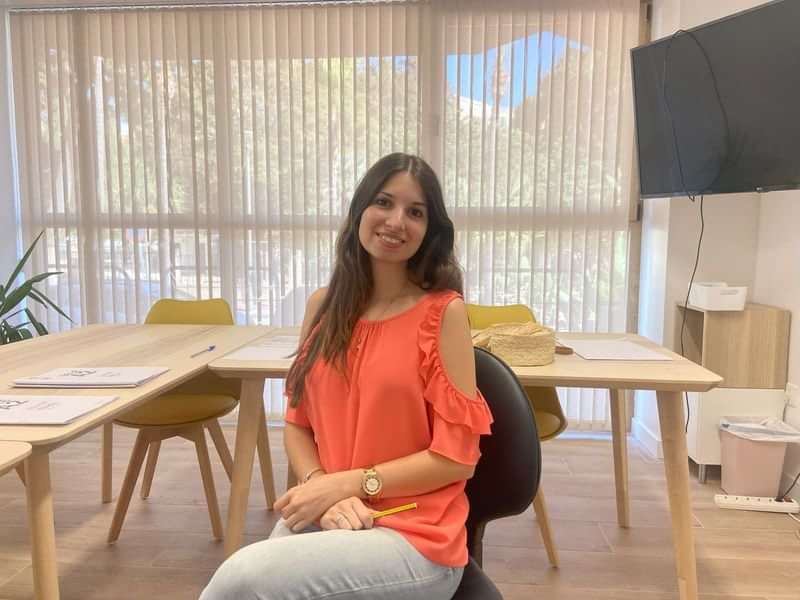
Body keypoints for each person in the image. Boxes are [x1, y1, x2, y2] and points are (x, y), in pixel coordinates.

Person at [200, 153, 493, 599]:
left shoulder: (443, 314)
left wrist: (349, 483)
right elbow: (298, 425)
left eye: (415, 212)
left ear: (430, 231)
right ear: (360, 210)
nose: (396, 220)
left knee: (240, 581)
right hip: (330, 510)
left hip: (415, 537)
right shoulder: (323, 306)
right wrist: (323, 487)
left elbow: (457, 459)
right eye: (384, 202)